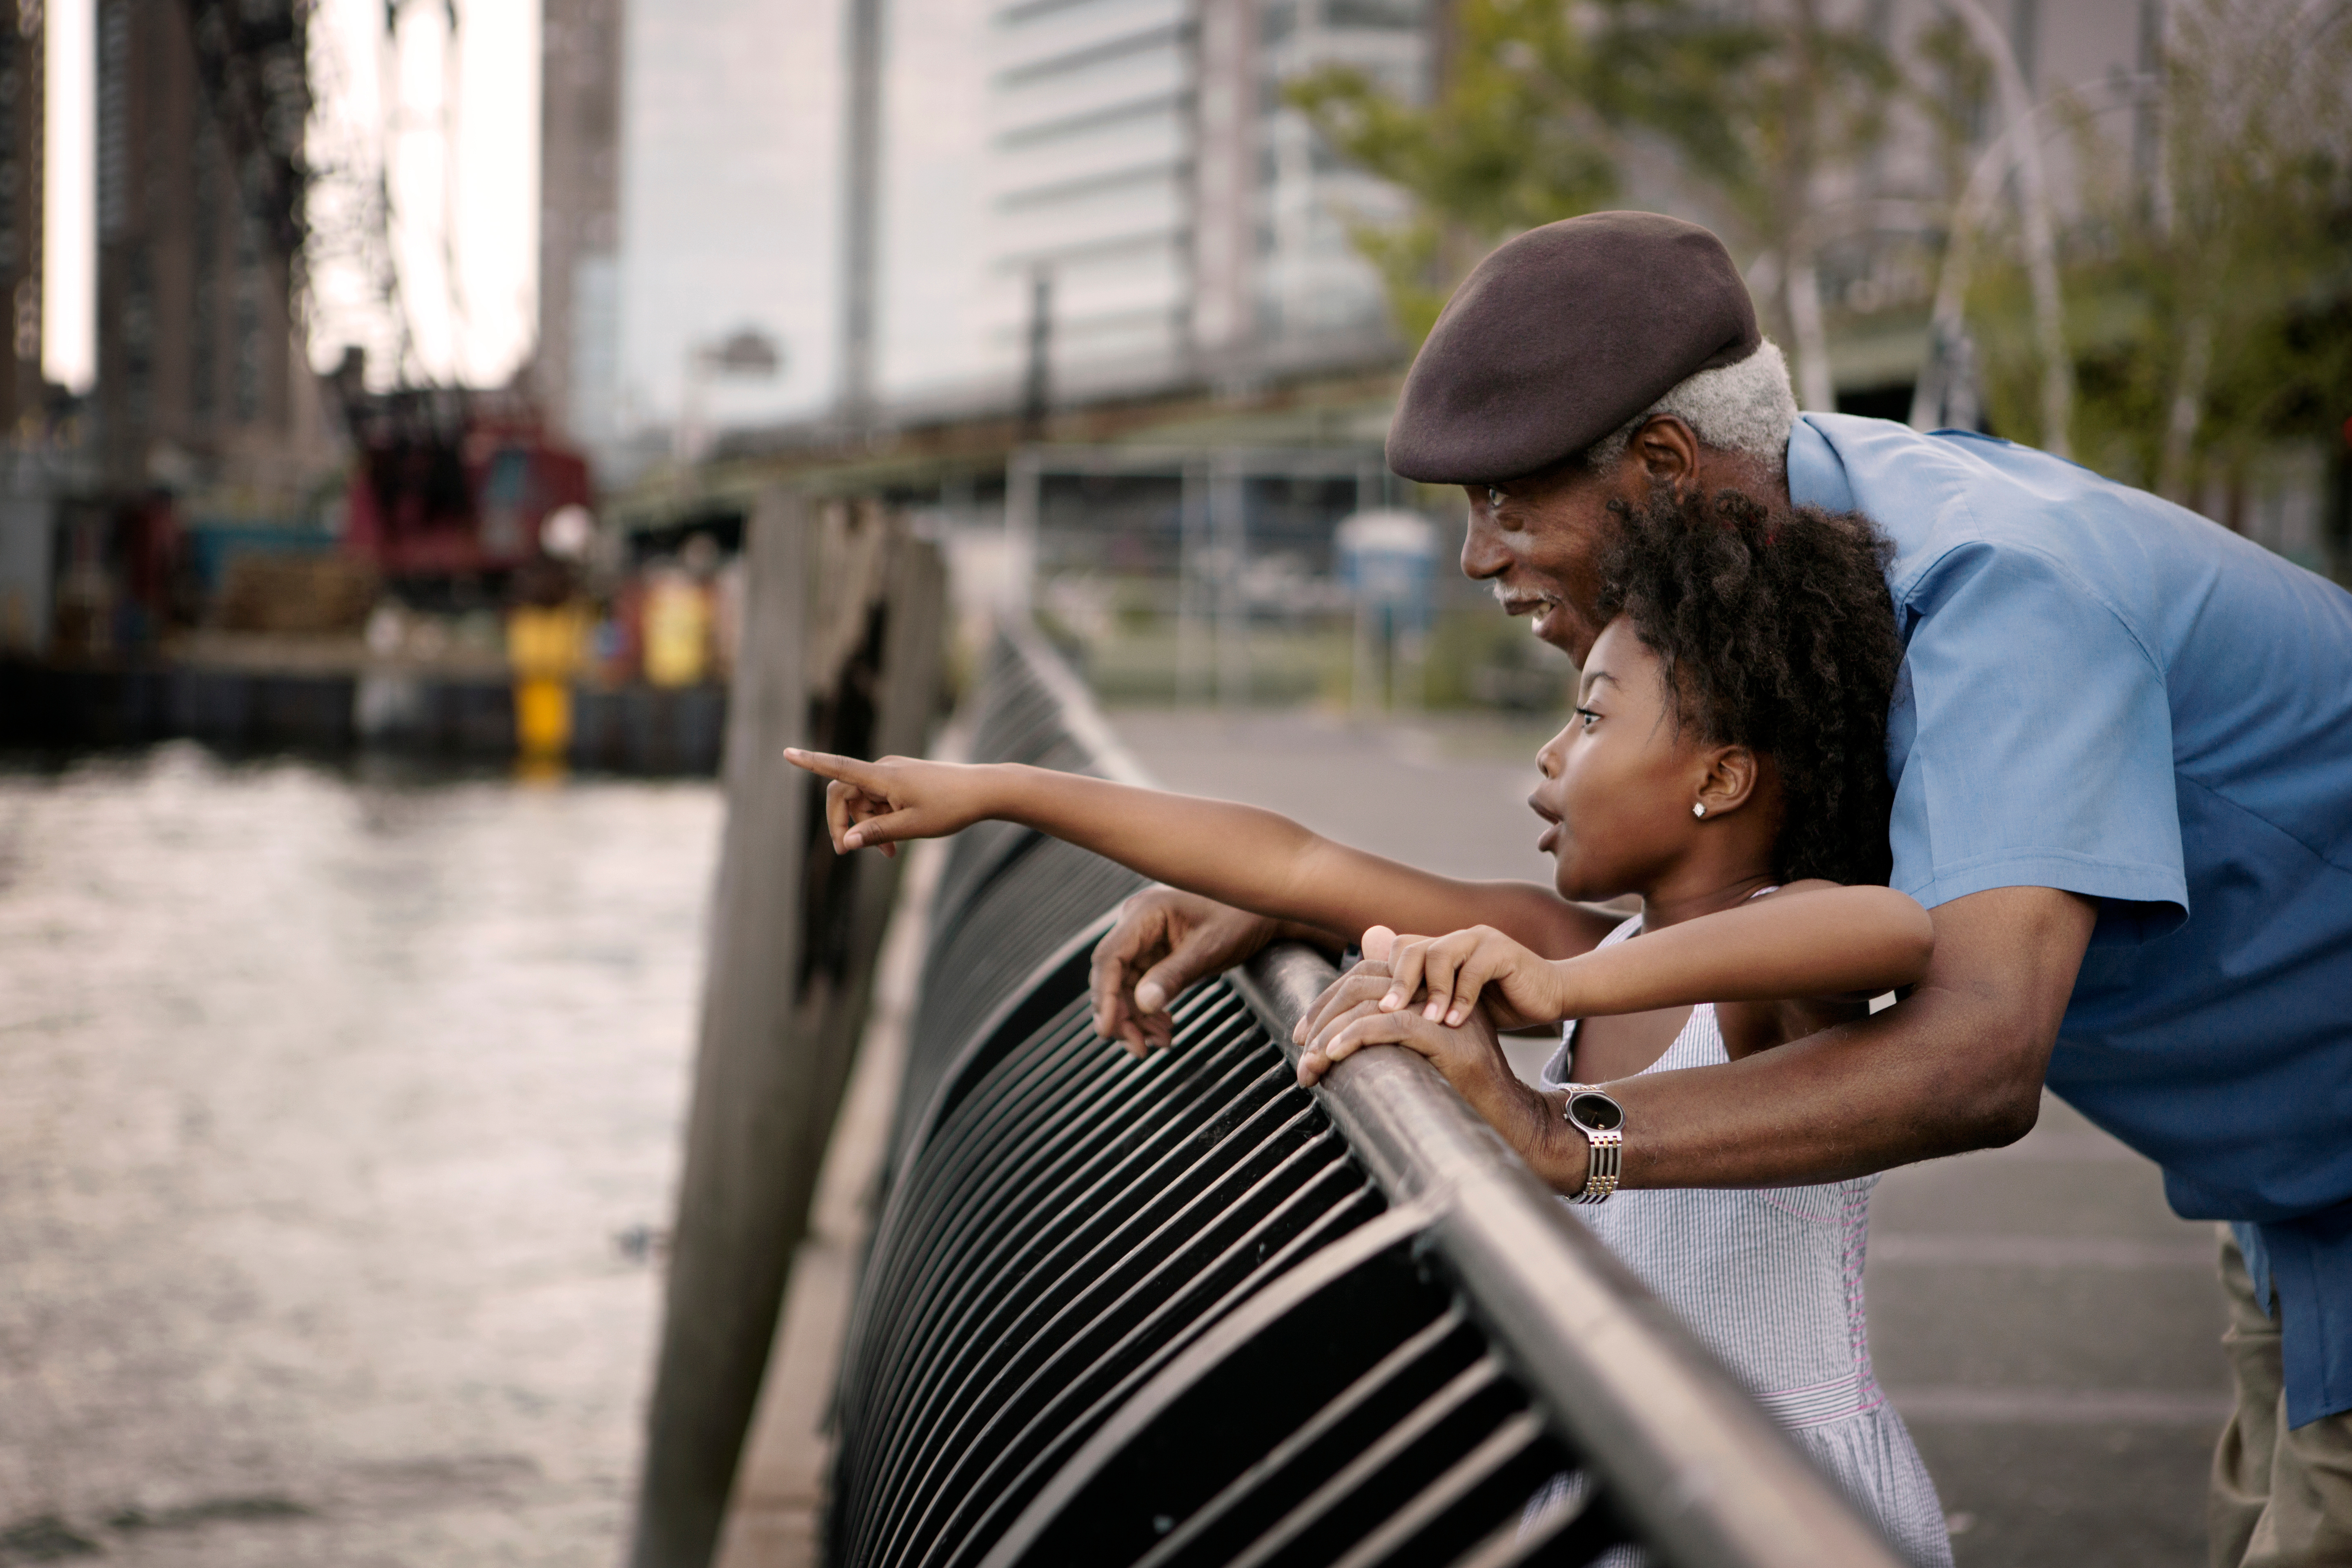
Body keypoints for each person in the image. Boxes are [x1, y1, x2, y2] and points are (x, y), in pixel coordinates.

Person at [1091, 212, 2352, 1567]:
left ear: (1665, 464)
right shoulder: (1799, 567)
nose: (1475, 556)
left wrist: (1571, 1134)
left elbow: (1978, 1057)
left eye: (1509, 501)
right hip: (2291, 1180)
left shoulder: (1993, 592)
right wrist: (1311, 906)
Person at [789, 489, 1956, 1564]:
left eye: (1592, 720)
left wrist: (1554, 999)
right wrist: (997, 790)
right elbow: (1296, 859)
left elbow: (1889, 934)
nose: (1550, 755)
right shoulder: (1573, 939)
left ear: (1725, 777)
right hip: (1620, 1465)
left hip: (1776, 1501)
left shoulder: (1754, 962)